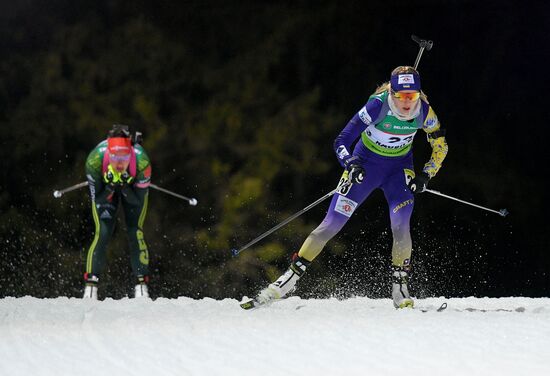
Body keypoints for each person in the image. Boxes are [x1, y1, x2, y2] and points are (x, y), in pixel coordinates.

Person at [251, 66, 448, 308]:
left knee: (401, 225)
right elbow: (342, 140)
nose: (406, 103)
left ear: (419, 94)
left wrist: (425, 175)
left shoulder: (425, 113)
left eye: (412, 96)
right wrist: (351, 163)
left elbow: (441, 147)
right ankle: (288, 279)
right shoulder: (377, 106)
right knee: (332, 223)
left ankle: (400, 288)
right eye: (400, 96)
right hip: (365, 165)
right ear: (392, 93)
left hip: (398, 171)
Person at [82, 124, 152, 299]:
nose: (119, 162)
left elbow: (137, 200)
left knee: (135, 230)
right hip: (106, 190)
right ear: (108, 153)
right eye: (114, 156)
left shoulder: (142, 162)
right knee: (103, 233)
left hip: (132, 188)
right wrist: (111, 187)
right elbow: (96, 198)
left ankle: (142, 286)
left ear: (130, 152)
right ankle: (91, 286)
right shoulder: (94, 161)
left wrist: (126, 186)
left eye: (124, 156)